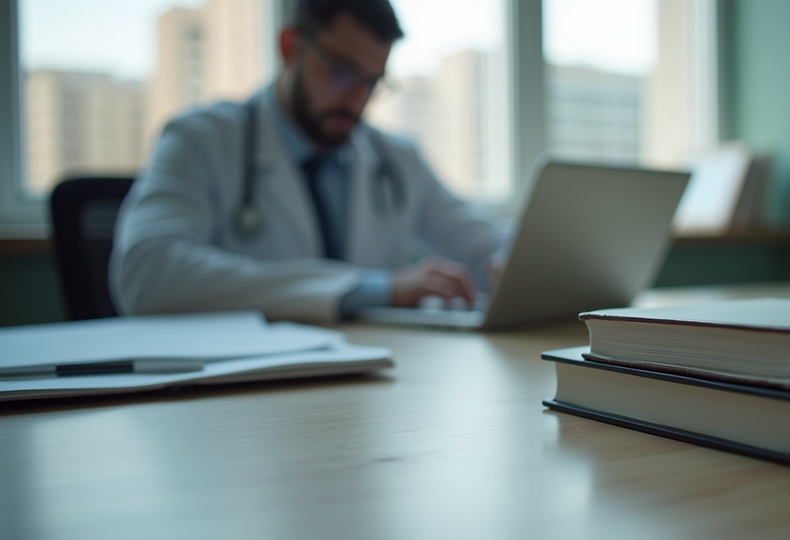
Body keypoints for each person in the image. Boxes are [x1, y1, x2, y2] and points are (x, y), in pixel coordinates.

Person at [110, 0, 509, 323]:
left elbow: (486, 241)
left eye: (372, 81)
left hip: (372, 382)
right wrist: (372, 289)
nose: (356, 98)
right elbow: (147, 273)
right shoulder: (200, 139)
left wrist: (511, 264)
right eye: (342, 71)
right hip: (243, 396)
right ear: (289, 46)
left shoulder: (396, 158)